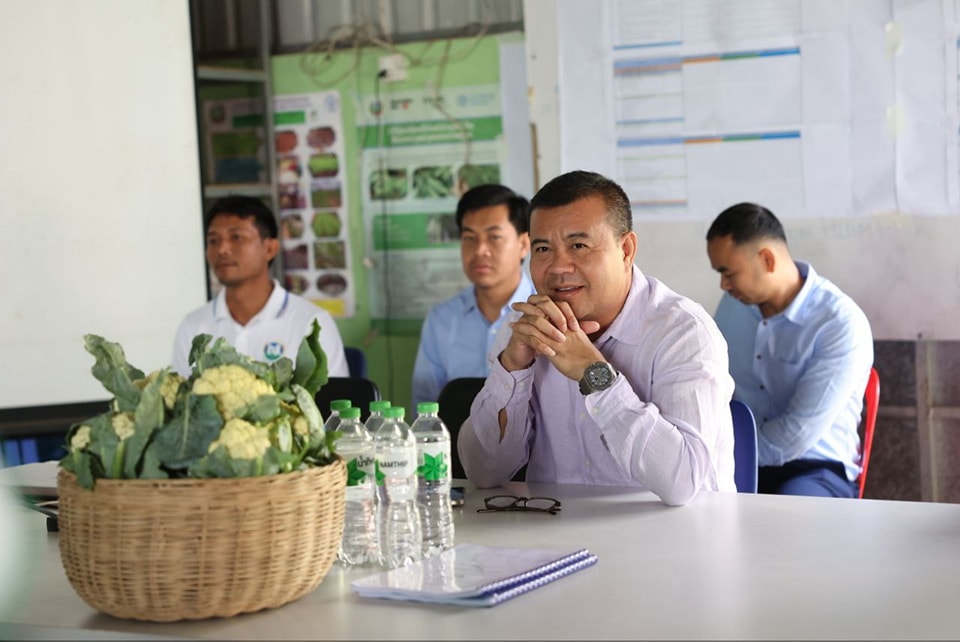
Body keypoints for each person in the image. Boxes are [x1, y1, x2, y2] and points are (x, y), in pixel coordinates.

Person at [457, 171, 735, 506]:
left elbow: (682, 482)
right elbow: (483, 472)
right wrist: (512, 368)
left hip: (674, 531)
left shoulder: (683, 332)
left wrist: (594, 373)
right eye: (543, 248)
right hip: (556, 529)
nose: (558, 267)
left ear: (626, 250)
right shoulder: (525, 327)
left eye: (578, 246)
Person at [705, 202, 873, 498]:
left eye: (728, 273)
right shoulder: (733, 306)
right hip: (736, 458)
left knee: (787, 514)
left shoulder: (839, 323)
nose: (724, 285)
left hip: (815, 469)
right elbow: (711, 383)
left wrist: (726, 453)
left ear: (767, 260)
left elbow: (796, 436)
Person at [172, 196, 349, 378]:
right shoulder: (193, 326)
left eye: (236, 237)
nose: (222, 249)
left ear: (270, 249)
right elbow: (180, 393)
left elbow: (336, 395)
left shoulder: (311, 324)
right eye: (213, 241)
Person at [411, 184, 535, 410]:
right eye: (469, 238)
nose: (479, 250)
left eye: (494, 237)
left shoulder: (547, 314)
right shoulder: (441, 319)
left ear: (524, 244)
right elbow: (425, 408)